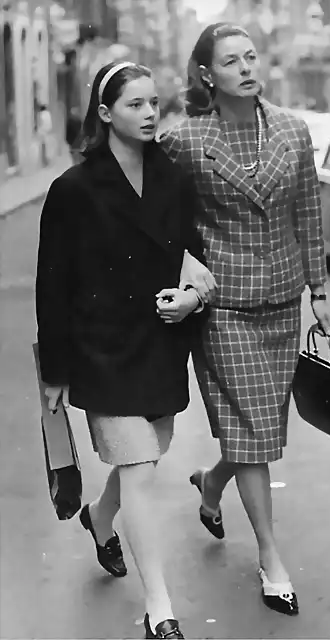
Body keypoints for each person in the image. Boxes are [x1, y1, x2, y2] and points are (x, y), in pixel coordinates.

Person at [159, 22, 330, 617]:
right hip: (225, 304)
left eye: (251, 57)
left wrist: (320, 289)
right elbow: (153, 209)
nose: (245, 67)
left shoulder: (292, 129)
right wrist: (181, 260)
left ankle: (211, 483)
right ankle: (270, 556)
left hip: (283, 300)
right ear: (207, 73)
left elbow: (309, 210)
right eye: (231, 60)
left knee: (258, 429)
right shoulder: (185, 141)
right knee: (257, 434)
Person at [36, 60, 207, 640]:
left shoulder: (173, 179)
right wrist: (56, 370)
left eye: (154, 102)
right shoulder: (74, 189)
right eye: (135, 104)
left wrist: (190, 298)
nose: (149, 113)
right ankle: (160, 607)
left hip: (160, 344)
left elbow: (193, 255)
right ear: (105, 113)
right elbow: (51, 284)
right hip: (101, 351)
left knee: (147, 456)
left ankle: (100, 519)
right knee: (137, 468)